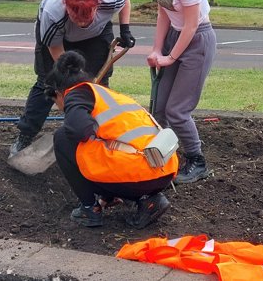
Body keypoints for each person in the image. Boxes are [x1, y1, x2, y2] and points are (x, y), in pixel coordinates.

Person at [128, 0, 216, 185]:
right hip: (174, 39)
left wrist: (171, 57)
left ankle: (197, 161)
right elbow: (164, 13)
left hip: (197, 42)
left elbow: (190, 26)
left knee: (178, 110)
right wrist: (157, 48)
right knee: (161, 109)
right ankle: (166, 155)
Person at [47, 51, 178, 228]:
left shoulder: (76, 94)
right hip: (163, 171)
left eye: (57, 103)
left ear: (59, 93)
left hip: (138, 174)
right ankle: (150, 201)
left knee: (62, 137)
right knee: (102, 143)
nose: (60, 108)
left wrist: (74, 122)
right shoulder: (107, 95)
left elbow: (80, 131)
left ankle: (89, 209)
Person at [10, 0, 135, 156]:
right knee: (49, 83)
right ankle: (26, 135)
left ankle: (98, 133)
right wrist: (72, 78)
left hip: (97, 35)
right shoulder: (53, 14)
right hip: (59, 39)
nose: (82, 23)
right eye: (77, 18)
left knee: (98, 85)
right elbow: (57, 52)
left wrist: (125, 30)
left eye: (87, 17)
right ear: (67, 7)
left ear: (97, 6)